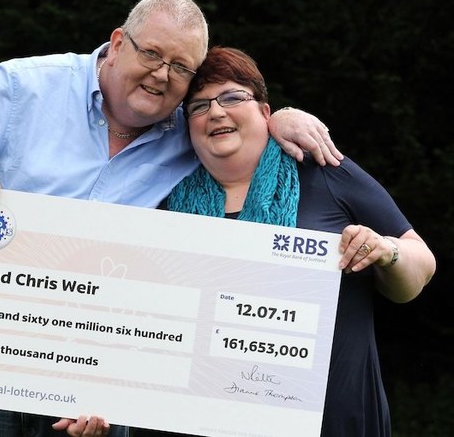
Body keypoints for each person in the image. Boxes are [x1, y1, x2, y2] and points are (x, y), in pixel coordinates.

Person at [0, 0, 343, 437]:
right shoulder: (27, 86)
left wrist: (280, 117)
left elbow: (233, 119)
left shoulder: (188, 129)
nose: (162, 75)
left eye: (181, 67)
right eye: (152, 53)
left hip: (99, 375)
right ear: (119, 42)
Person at [150, 46, 436, 437]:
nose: (216, 112)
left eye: (233, 97)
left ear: (266, 113)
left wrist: (387, 251)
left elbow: (420, 265)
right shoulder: (163, 202)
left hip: (335, 422)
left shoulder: (325, 170)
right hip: (202, 424)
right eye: (198, 107)